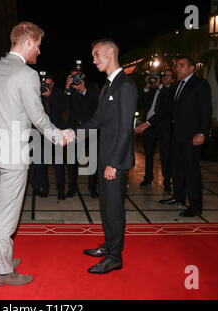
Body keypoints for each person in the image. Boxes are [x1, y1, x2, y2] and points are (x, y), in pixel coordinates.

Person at [0, 21, 73, 286]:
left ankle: (2, 259)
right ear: (30, 41)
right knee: (8, 216)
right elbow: (38, 116)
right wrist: (59, 135)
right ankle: (2, 272)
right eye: (40, 46)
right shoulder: (27, 74)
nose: (40, 52)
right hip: (12, 155)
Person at [79, 39, 137, 274]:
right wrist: (74, 134)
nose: (94, 60)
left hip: (116, 161)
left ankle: (115, 257)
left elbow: (126, 129)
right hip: (105, 158)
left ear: (111, 52)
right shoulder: (108, 86)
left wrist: (114, 163)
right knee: (106, 206)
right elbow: (96, 120)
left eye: (97, 55)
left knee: (114, 208)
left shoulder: (125, 85)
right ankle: (109, 246)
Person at [159, 55, 212, 217]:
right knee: (177, 169)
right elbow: (169, 109)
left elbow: (206, 110)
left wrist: (202, 132)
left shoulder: (200, 84)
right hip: (177, 136)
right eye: (177, 66)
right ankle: (179, 198)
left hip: (192, 136)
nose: (177, 68)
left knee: (191, 171)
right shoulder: (177, 86)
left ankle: (196, 206)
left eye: (181, 65)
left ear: (191, 68)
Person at [29, 75, 67, 200]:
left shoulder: (58, 93)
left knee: (59, 164)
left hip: (56, 133)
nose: (47, 86)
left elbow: (63, 108)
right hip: (41, 134)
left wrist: (50, 96)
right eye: (45, 84)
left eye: (49, 84)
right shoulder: (36, 94)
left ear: (53, 84)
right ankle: (45, 187)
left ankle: (61, 189)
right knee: (42, 164)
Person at [64, 66, 99, 198]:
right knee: (72, 161)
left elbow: (96, 106)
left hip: (90, 129)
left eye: (77, 75)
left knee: (92, 160)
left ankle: (92, 188)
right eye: (72, 76)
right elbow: (65, 106)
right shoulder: (70, 89)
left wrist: (84, 91)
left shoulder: (92, 87)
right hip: (73, 129)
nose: (75, 78)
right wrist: (67, 88)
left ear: (83, 76)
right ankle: (72, 188)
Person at [135, 72, 173, 193]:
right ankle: (148, 178)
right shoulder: (153, 90)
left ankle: (167, 182)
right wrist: (147, 87)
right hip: (150, 127)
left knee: (165, 156)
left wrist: (159, 86)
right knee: (148, 154)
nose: (165, 77)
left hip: (164, 128)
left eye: (168, 76)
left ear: (172, 80)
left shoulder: (171, 90)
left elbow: (165, 109)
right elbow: (140, 101)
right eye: (164, 75)